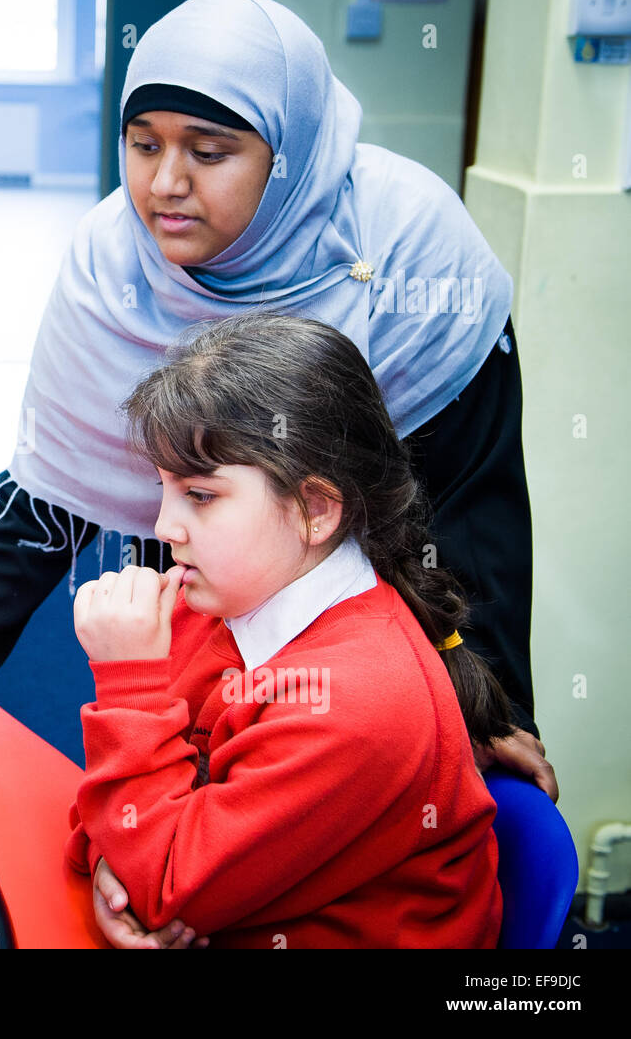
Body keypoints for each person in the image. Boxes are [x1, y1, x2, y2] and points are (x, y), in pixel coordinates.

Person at [0, 0, 555, 801]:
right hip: (203, 620)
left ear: (287, 153)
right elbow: (52, 494)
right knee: (191, 826)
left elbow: (470, 509)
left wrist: (491, 702)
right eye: (142, 144)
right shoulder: (111, 263)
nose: (165, 183)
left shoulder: (413, 249)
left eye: (209, 152)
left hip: (359, 643)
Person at [68, 312, 510, 948]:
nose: (164, 526)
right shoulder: (216, 602)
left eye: (200, 495)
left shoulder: (356, 703)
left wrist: (129, 685)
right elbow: (110, 817)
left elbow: (166, 887)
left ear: (315, 510)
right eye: (162, 488)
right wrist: (117, 864)